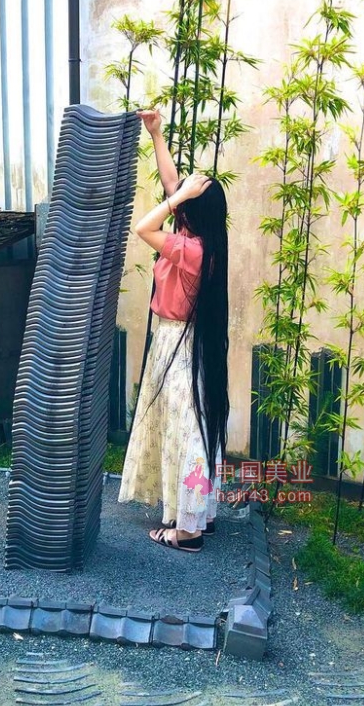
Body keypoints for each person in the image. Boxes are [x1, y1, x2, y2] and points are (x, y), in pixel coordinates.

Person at [118, 109, 230, 553]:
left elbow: (143, 226)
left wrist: (176, 196)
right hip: (183, 342)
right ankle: (196, 514)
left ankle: (187, 531)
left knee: (187, 432)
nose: (178, 198)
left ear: (191, 212)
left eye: (185, 200)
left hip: (178, 343)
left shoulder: (191, 249)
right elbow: (171, 184)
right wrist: (157, 135)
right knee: (189, 428)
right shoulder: (204, 239)